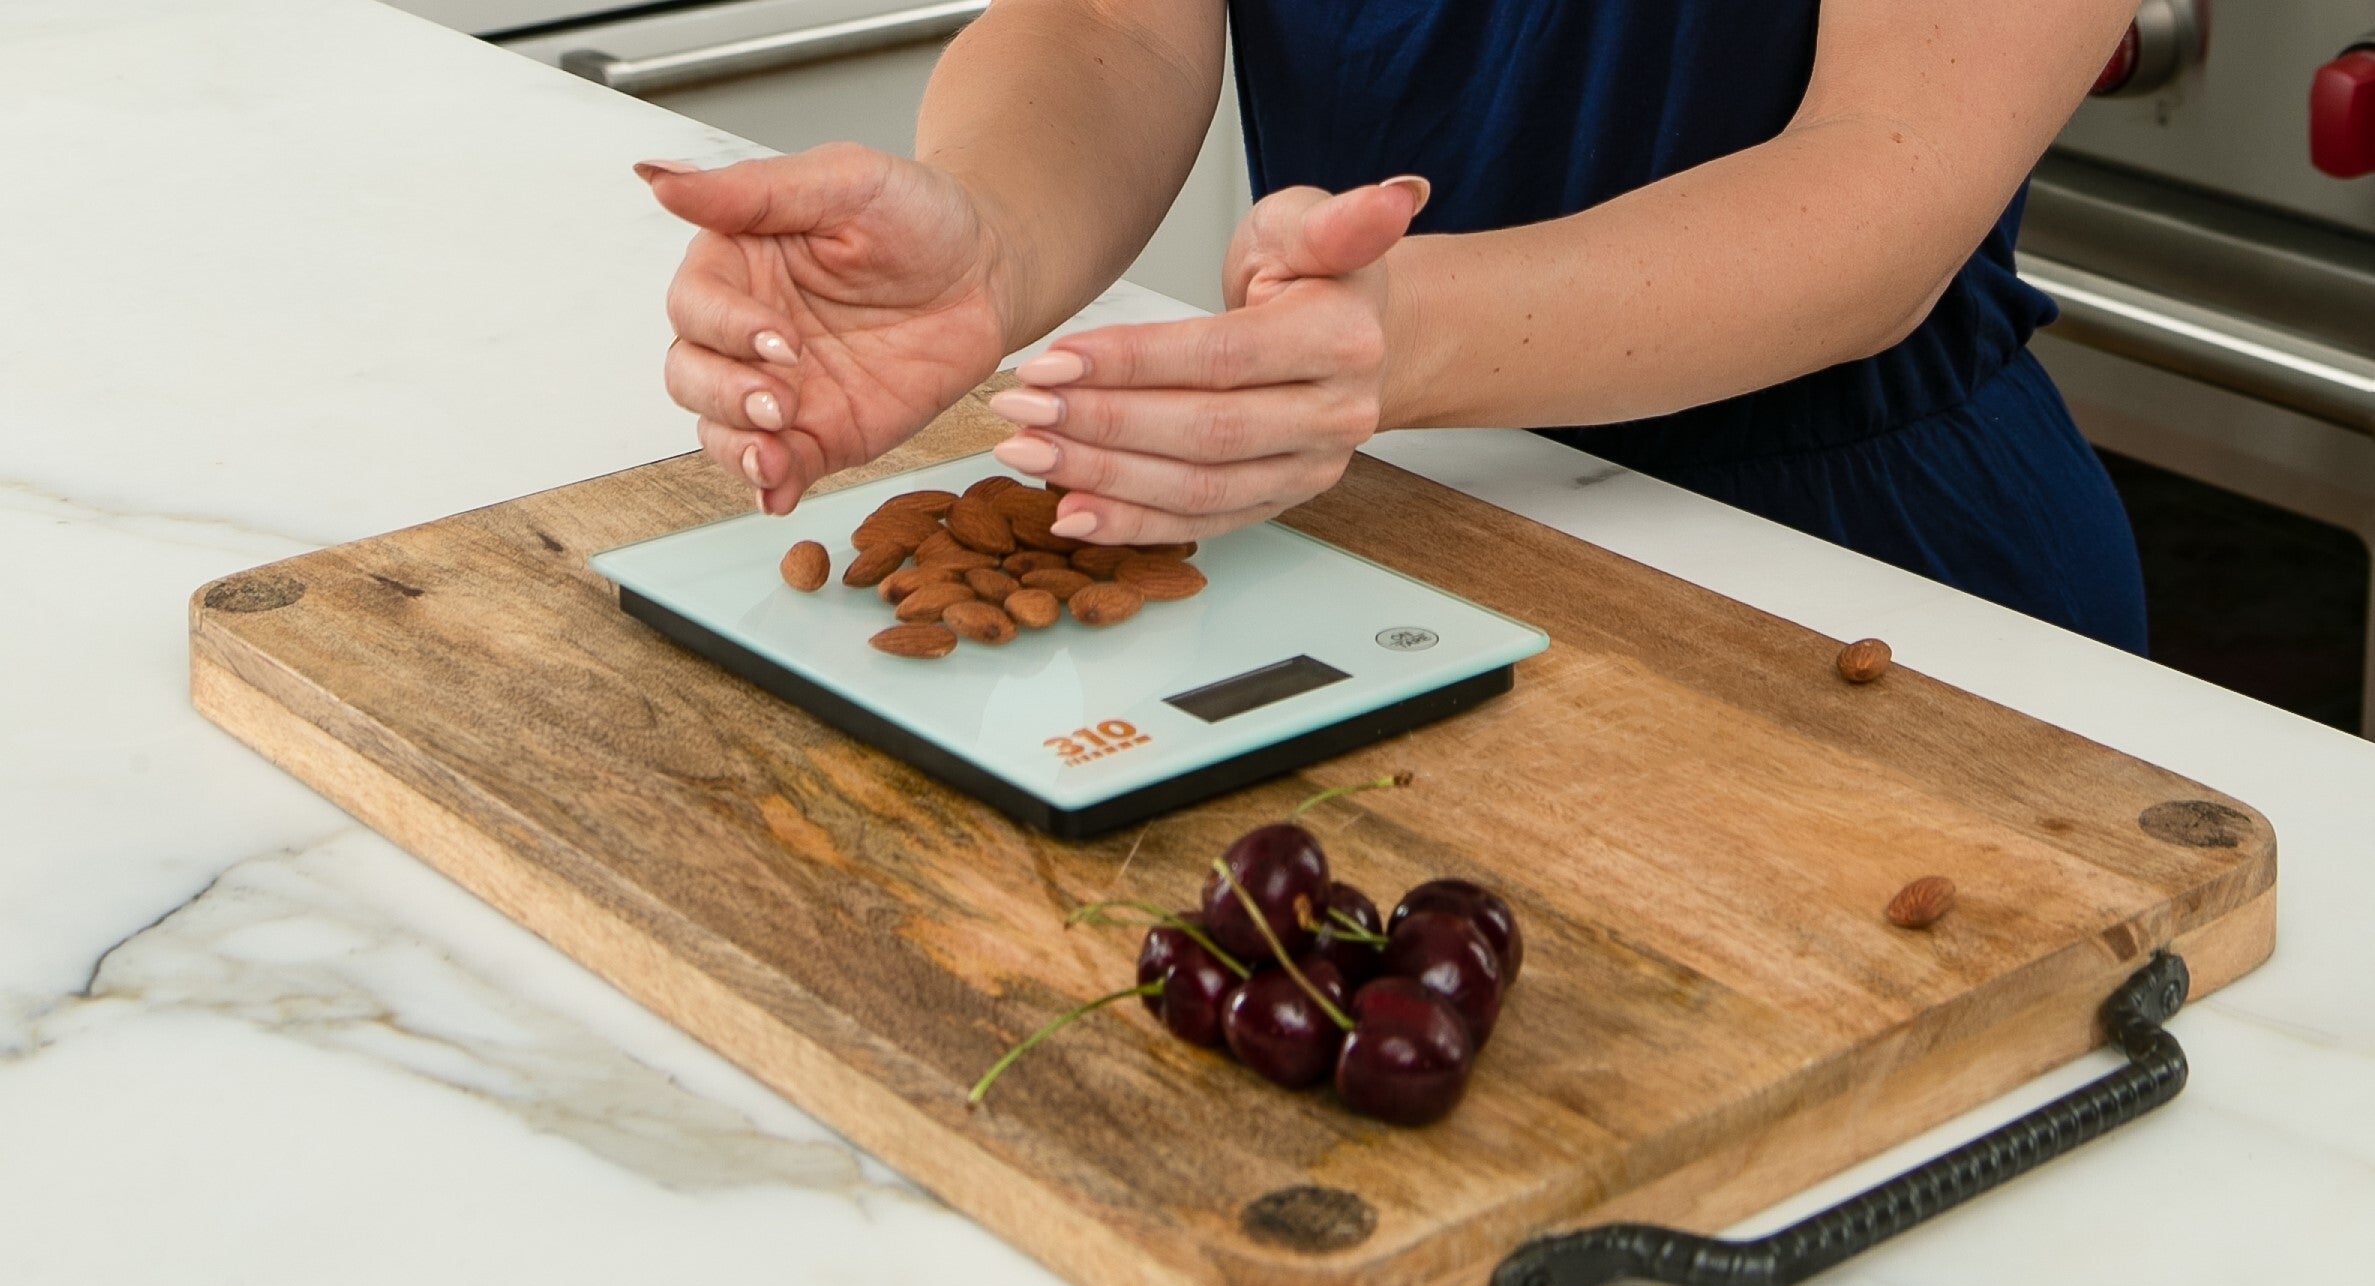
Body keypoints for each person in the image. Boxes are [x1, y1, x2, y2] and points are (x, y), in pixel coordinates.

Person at [638, 0, 2150, 652]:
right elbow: (1110, 24)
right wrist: (989, 238)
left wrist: (1404, 339)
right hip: (1367, 530)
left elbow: (1883, 184)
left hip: (1858, 580)